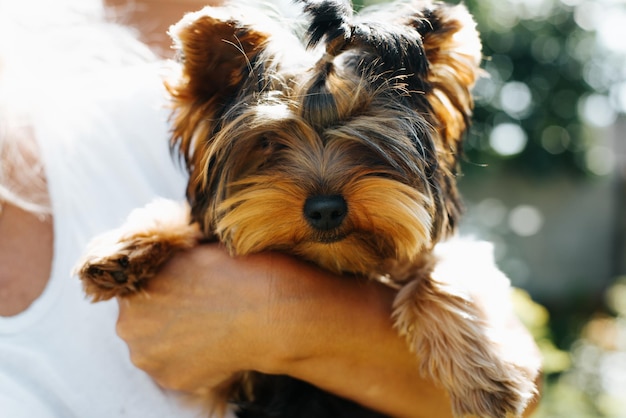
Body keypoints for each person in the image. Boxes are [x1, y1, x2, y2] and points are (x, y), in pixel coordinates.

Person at [0, 0, 541, 417]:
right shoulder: (186, 186)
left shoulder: (107, 129)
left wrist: (286, 316)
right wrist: (166, 234)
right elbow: (203, 216)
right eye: (273, 149)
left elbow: (520, 383)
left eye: (368, 148)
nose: (325, 195)